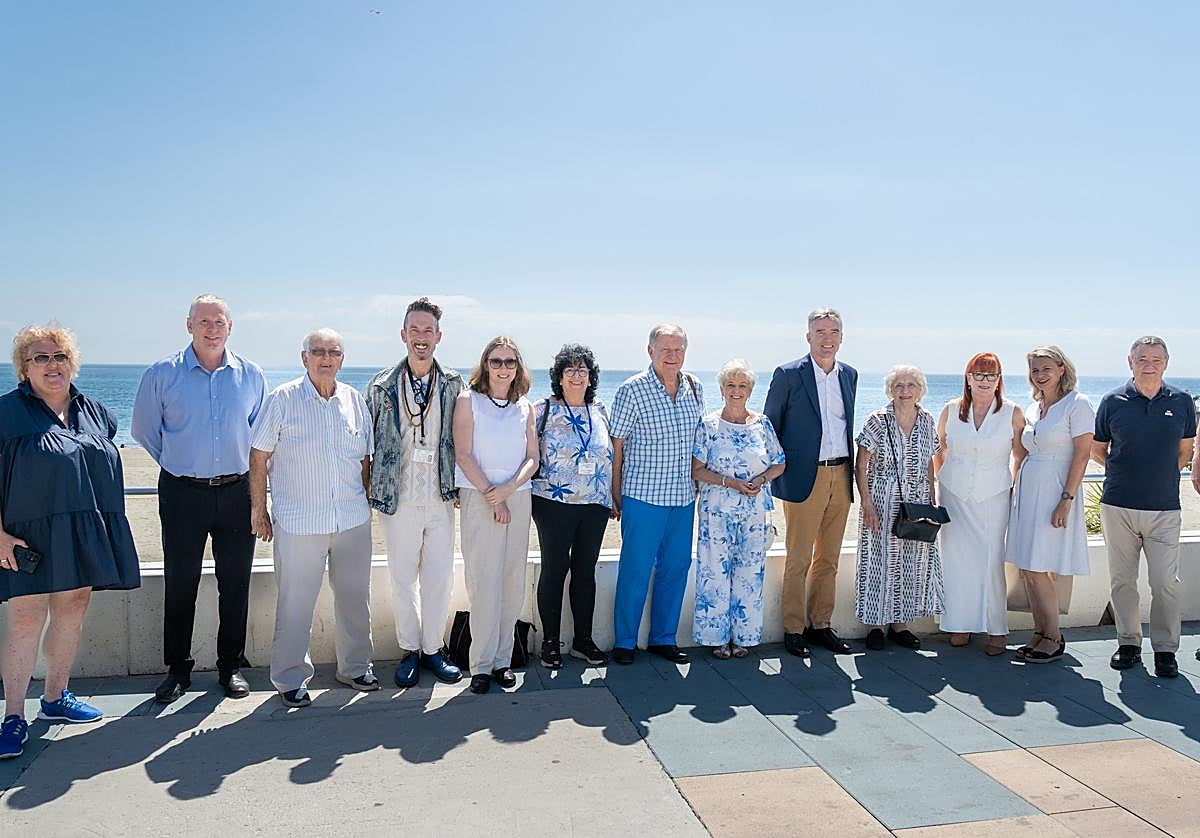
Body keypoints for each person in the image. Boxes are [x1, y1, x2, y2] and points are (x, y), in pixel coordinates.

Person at [1, 326, 140, 759]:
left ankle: (56, 697)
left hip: (82, 530)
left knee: (73, 609)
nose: (52, 365)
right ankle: (13, 716)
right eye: (40, 358)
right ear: (24, 368)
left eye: (59, 356)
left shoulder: (96, 412)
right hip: (27, 534)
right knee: (26, 619)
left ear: (71, 362)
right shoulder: (7, 413)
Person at [132, 294, 266, 702]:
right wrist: (180, 463)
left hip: (237, 492)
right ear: (189, 325)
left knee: (235, 583)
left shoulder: (251, 375)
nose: (212, 329)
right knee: (180, 581)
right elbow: (144, 431)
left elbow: (259, 437)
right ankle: (178, 670)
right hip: (182, 492)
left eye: (219, 322)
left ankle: (230, 667)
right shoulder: (162, 373)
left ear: (230, 327)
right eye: (204, 321)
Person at [249, 329, 377, 708]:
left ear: (342, 359)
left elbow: (365, 460)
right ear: (304, 358)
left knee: (356, 600)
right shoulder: (283, 399)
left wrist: (365, 500)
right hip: (299, 523)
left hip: (351, 520)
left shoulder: (354, 400)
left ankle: (355, 668)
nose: (325, 358)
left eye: (333, 352)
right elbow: (258, 456)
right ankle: (289, 678)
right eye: (317, 351)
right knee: (295, 605)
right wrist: (259, 509)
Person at [366, 297, 465, 688]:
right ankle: (409, 649)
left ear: (438, 336)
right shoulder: (381, 384)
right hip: (398, 498)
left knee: (439, 578)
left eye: (428, 330)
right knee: (402, 578)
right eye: (414, 329)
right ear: (403, 334)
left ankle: (433, 649)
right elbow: (366, 442)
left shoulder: (454, 384)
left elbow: (465, 438)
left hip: (441, 496)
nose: (421, 337)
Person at [1095, 337, 1196, 678]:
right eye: (1142, 359)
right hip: (1118, 505)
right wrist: (1125, 473)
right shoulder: (1112, 401)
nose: (1148, 365)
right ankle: (1128, 644)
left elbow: (1184, 452)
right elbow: (1098, 449)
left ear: (1166, 363)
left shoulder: (1182, 401)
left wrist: (1157, 476)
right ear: (1130, 362)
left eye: (1155, 359)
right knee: (1122, 579)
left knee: (1165, 582)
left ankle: (1165, 650)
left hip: (1164, 507)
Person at [608, 324, 705, 666]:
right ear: (650, 351)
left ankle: (663, 638)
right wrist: (615, 493)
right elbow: (616, 446)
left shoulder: (695, 386)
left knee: (676, 568)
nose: (672, 356)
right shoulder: (631, 390)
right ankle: (625, 641)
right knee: (635, 570)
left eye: (678, 349)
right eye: (665, 349)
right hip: (642, 497)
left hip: (683, 497)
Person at [764, 307, 858, 658]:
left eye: (833, 332)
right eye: (820, 332)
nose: (827, 338)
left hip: (841, 474)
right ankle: (793, 629)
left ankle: (821, 624)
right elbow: (770, 426)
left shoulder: (849, 375)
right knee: (799, 556)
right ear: (808, 336)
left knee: (829, 558)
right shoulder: (788, 374)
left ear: (842, 337)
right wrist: (776, 471)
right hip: (805, 477)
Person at [453, 337, 539, 694]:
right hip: (479, 497)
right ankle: (481, 666)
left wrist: (509, 490)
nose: (503, 368)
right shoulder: (468, 400)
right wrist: (494, 496)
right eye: (496, 361)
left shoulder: (525, 407)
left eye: (509, 362)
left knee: (511, 582)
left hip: (518, 497)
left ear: (518, 367)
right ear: (485, 365)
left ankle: (503, 661)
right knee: (483, 583)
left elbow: (533, 457)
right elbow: (463, 454)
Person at [691, 360, 786, 658]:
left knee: (749, 573)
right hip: (716, 511)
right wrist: (730, 482)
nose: (736, 390)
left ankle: (744, 636)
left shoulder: (762, 424)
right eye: (730, 385)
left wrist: (760, 479)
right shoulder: (708, 424)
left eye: (742, 385)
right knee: (714, 573)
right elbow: (697, 469)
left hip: (754, 512)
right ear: (721, 389)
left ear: (750, 390)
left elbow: (780, 462)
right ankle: (716, 639)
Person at [1005, 346, 1093, 664]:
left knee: (1040, 567)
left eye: (1046, 368)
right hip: (1028, 492)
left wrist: (1066, 500)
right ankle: (1040, 632)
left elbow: (1082, 455)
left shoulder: (1077, 404)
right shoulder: (1034, 407)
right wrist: (1013, 489)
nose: (1040, 375)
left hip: (1055, 492)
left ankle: (1054, 637)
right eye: (1035, 370)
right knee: (1028, 567)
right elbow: (1023, 453)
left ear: (1061, 369)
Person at [934, 353, 1025, 655]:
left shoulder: (1012, 412)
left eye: (991, 375)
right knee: (956, 561)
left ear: (999, 380)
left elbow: (1020, 456)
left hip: (994, 496)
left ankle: (996, 630)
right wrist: (943, 479)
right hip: (953, 495)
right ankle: (959, 624)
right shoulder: (950, 409)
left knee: (990, 560)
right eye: (979, 375)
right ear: (968, 378)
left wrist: (1011, 487)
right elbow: (939, 448)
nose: (985, 381)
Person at [530, 344, 613, 669]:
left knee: (585, 571)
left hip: (595, 504)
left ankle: (583, 641)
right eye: (570, 370)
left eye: (582, 370)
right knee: (554, 569)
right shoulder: (542, 409)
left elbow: (613, 454)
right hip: (553, 502)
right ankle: (550, 643)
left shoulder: (600, 410)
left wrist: (614, 495)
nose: (577, 375)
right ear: (559, 377)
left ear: (591, 377)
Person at [855, 365, 943, 651]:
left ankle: (900, 624)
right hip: (882, 500)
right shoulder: (877, 420)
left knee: (910, 562)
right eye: (899, 386)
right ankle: (875, 626)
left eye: (911, 385)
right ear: (890, 390)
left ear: (920, 390)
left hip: (916, 502)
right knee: (878, 561)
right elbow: (861, 464)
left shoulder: (927, 419)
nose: (905, 391)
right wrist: (866, 501)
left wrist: (931, 498)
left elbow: (929, 462)